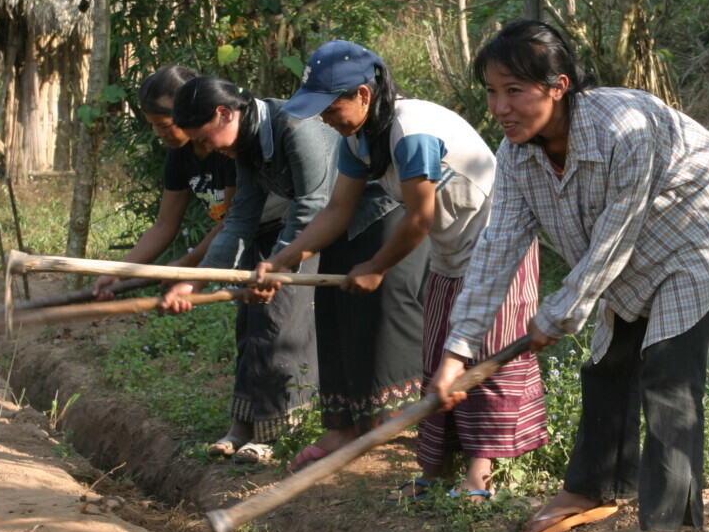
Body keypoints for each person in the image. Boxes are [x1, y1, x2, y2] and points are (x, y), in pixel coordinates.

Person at [431, 20, 709, 532]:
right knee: (609, 364)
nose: (500, 107)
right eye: (491, 92)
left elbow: (614, 237)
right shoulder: (516, 156)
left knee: (669, 377)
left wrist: (559, 313)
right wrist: (458, 350)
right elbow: (497, 248)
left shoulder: (624, 128)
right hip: (623, 248)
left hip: (690, 229)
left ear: (558, 86)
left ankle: (666, 528)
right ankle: (592, 487)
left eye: (515, 91)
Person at [256, 40, 547, 499]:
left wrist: (374, 266)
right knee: (438, 356)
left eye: (330, 107)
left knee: (484, 353)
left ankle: (480, 476)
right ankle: (435, 473)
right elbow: (336, 211)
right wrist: (279, 261)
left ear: (363, 96)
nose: (323, 118)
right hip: (452, 251)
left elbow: (418, 219)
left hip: (500, 243)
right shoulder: (357, 139)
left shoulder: (411, 133)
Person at [158, 76, 339, 462]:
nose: (205, 149)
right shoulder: (246, 145)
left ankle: (277, 428)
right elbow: (239, 218)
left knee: (280, 319)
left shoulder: (296, 127)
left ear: (225, 114)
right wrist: (196, 282)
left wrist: (277, 266)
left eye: (205, 138)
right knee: (250, 322)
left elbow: (311, 208)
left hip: (334, 226)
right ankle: (243, 423)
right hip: (293, 230)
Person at [91, 66, 232, 302]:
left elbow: (236, 220)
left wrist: (189, 264)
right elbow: (164, 226)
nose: (158, 133)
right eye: (153, 125)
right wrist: (119, 273)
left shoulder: (227, 147)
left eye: (165, 125)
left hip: (280, 238)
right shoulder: (179, 154)